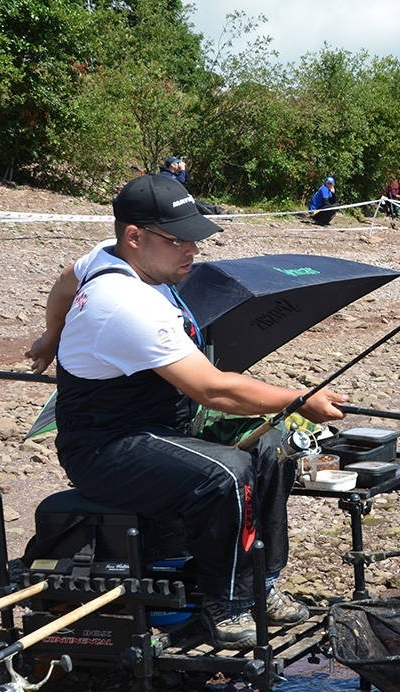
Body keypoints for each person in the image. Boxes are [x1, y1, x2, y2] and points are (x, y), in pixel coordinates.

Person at [48, 174, 347, 649]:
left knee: (272, 445)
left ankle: (261, 584)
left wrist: (50, 336)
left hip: (160, 422)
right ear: (135, 236)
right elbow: (213, 390)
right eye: (178, 241)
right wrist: (300, 400)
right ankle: (224, 605)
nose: (191, 251)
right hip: (105, 446)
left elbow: (65, 283)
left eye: (194, 239)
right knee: (227, 473)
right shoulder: (125, 305)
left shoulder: (107, 256)